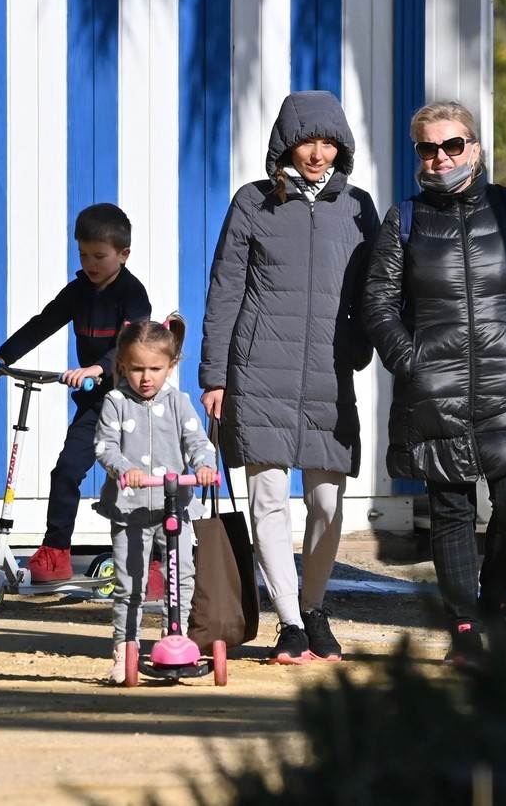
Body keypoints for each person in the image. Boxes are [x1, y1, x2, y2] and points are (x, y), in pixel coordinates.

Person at [362, 101, 506, 667]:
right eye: (429, 148)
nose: (441, 157)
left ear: (475, 146)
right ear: (417, 154)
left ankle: (497, 603)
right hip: (435, 388)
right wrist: (412, 360)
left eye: (453, 145)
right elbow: (378, 304)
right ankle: (465, 627)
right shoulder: (404, 219)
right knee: (449, 510)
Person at [199, 91, 378, 665]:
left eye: (329, 142)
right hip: (258, 372)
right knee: (268, 499)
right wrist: (215, 374)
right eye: (308, 141)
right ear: (286, 144)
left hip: (329, 374)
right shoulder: (252, 203)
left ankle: (315, 603)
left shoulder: (358, 207)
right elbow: (224, 289)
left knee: (327, 501)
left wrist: (360, 348)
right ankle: (292, 622)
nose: (318, 153)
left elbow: (376, 291)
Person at [0, 203, 152, 583]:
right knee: (66, 471)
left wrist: (99, 368)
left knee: (138, 482)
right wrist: (2, 356)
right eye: (84, 254)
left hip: (133, 404)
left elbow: (129, 343)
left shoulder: (133, 295)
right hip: (94, 404)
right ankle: (56, 552)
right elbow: (44, 322)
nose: (90, 263)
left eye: (99, 256)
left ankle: (151, 561)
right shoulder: (79, 290)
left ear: (124, 255)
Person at [93, 315, 217, 683]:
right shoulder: (116, 402)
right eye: (136, 369)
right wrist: (123, 468)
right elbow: (105, 446)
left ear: (171, 366)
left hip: (175, 505)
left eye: (155, 368)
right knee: (130, 582)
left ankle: (174, 640)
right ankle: (125, 648)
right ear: (122, 366)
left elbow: (197, 443)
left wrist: (205, 466)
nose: (146, 378)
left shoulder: (178, 402)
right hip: (130, 507)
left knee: (181, 578)